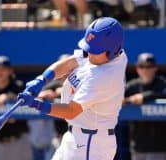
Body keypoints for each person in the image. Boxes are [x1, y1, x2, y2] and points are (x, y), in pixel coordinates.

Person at [17, 17, 127, 160]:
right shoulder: (107, 53)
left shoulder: (105, 77)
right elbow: (70, 62)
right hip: (76, 137)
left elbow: (71, 111)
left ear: (112, 51)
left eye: (95, 50)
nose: (90, 53)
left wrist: (36, 104)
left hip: (91, 143)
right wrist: (42, 79)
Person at [124, 53, 166, 160]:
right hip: (138, 146)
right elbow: (117, 97)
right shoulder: (132, 86)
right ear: (137, 69)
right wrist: (127, 100)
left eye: (149, 67)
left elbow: (162, 92)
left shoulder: (161, 83)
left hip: (159, 148)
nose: (145, 70)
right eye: (142, 66)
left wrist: (144, 97)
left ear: (155, 68)